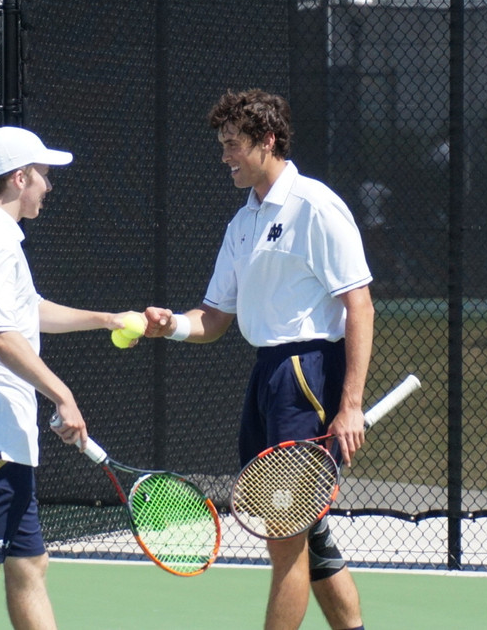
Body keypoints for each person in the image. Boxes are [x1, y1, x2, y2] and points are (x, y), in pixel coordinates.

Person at [143, 90, 375, 630]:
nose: (225, 156)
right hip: (267, 377)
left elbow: (359, 304)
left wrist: (351, 405)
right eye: (222, 145)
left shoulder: (315, 207)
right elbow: (214, 318)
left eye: (233, 145)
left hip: (308, 376)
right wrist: (170, 326)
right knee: (308, 537)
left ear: (267, 141)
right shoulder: (242, 224)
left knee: (285, 541)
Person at [0, 126, 139, 630]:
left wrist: (104, 319)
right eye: (43, 175)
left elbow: (25, 311)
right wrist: (62, 394)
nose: (48, 185)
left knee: (29, 563)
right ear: (20, 178)